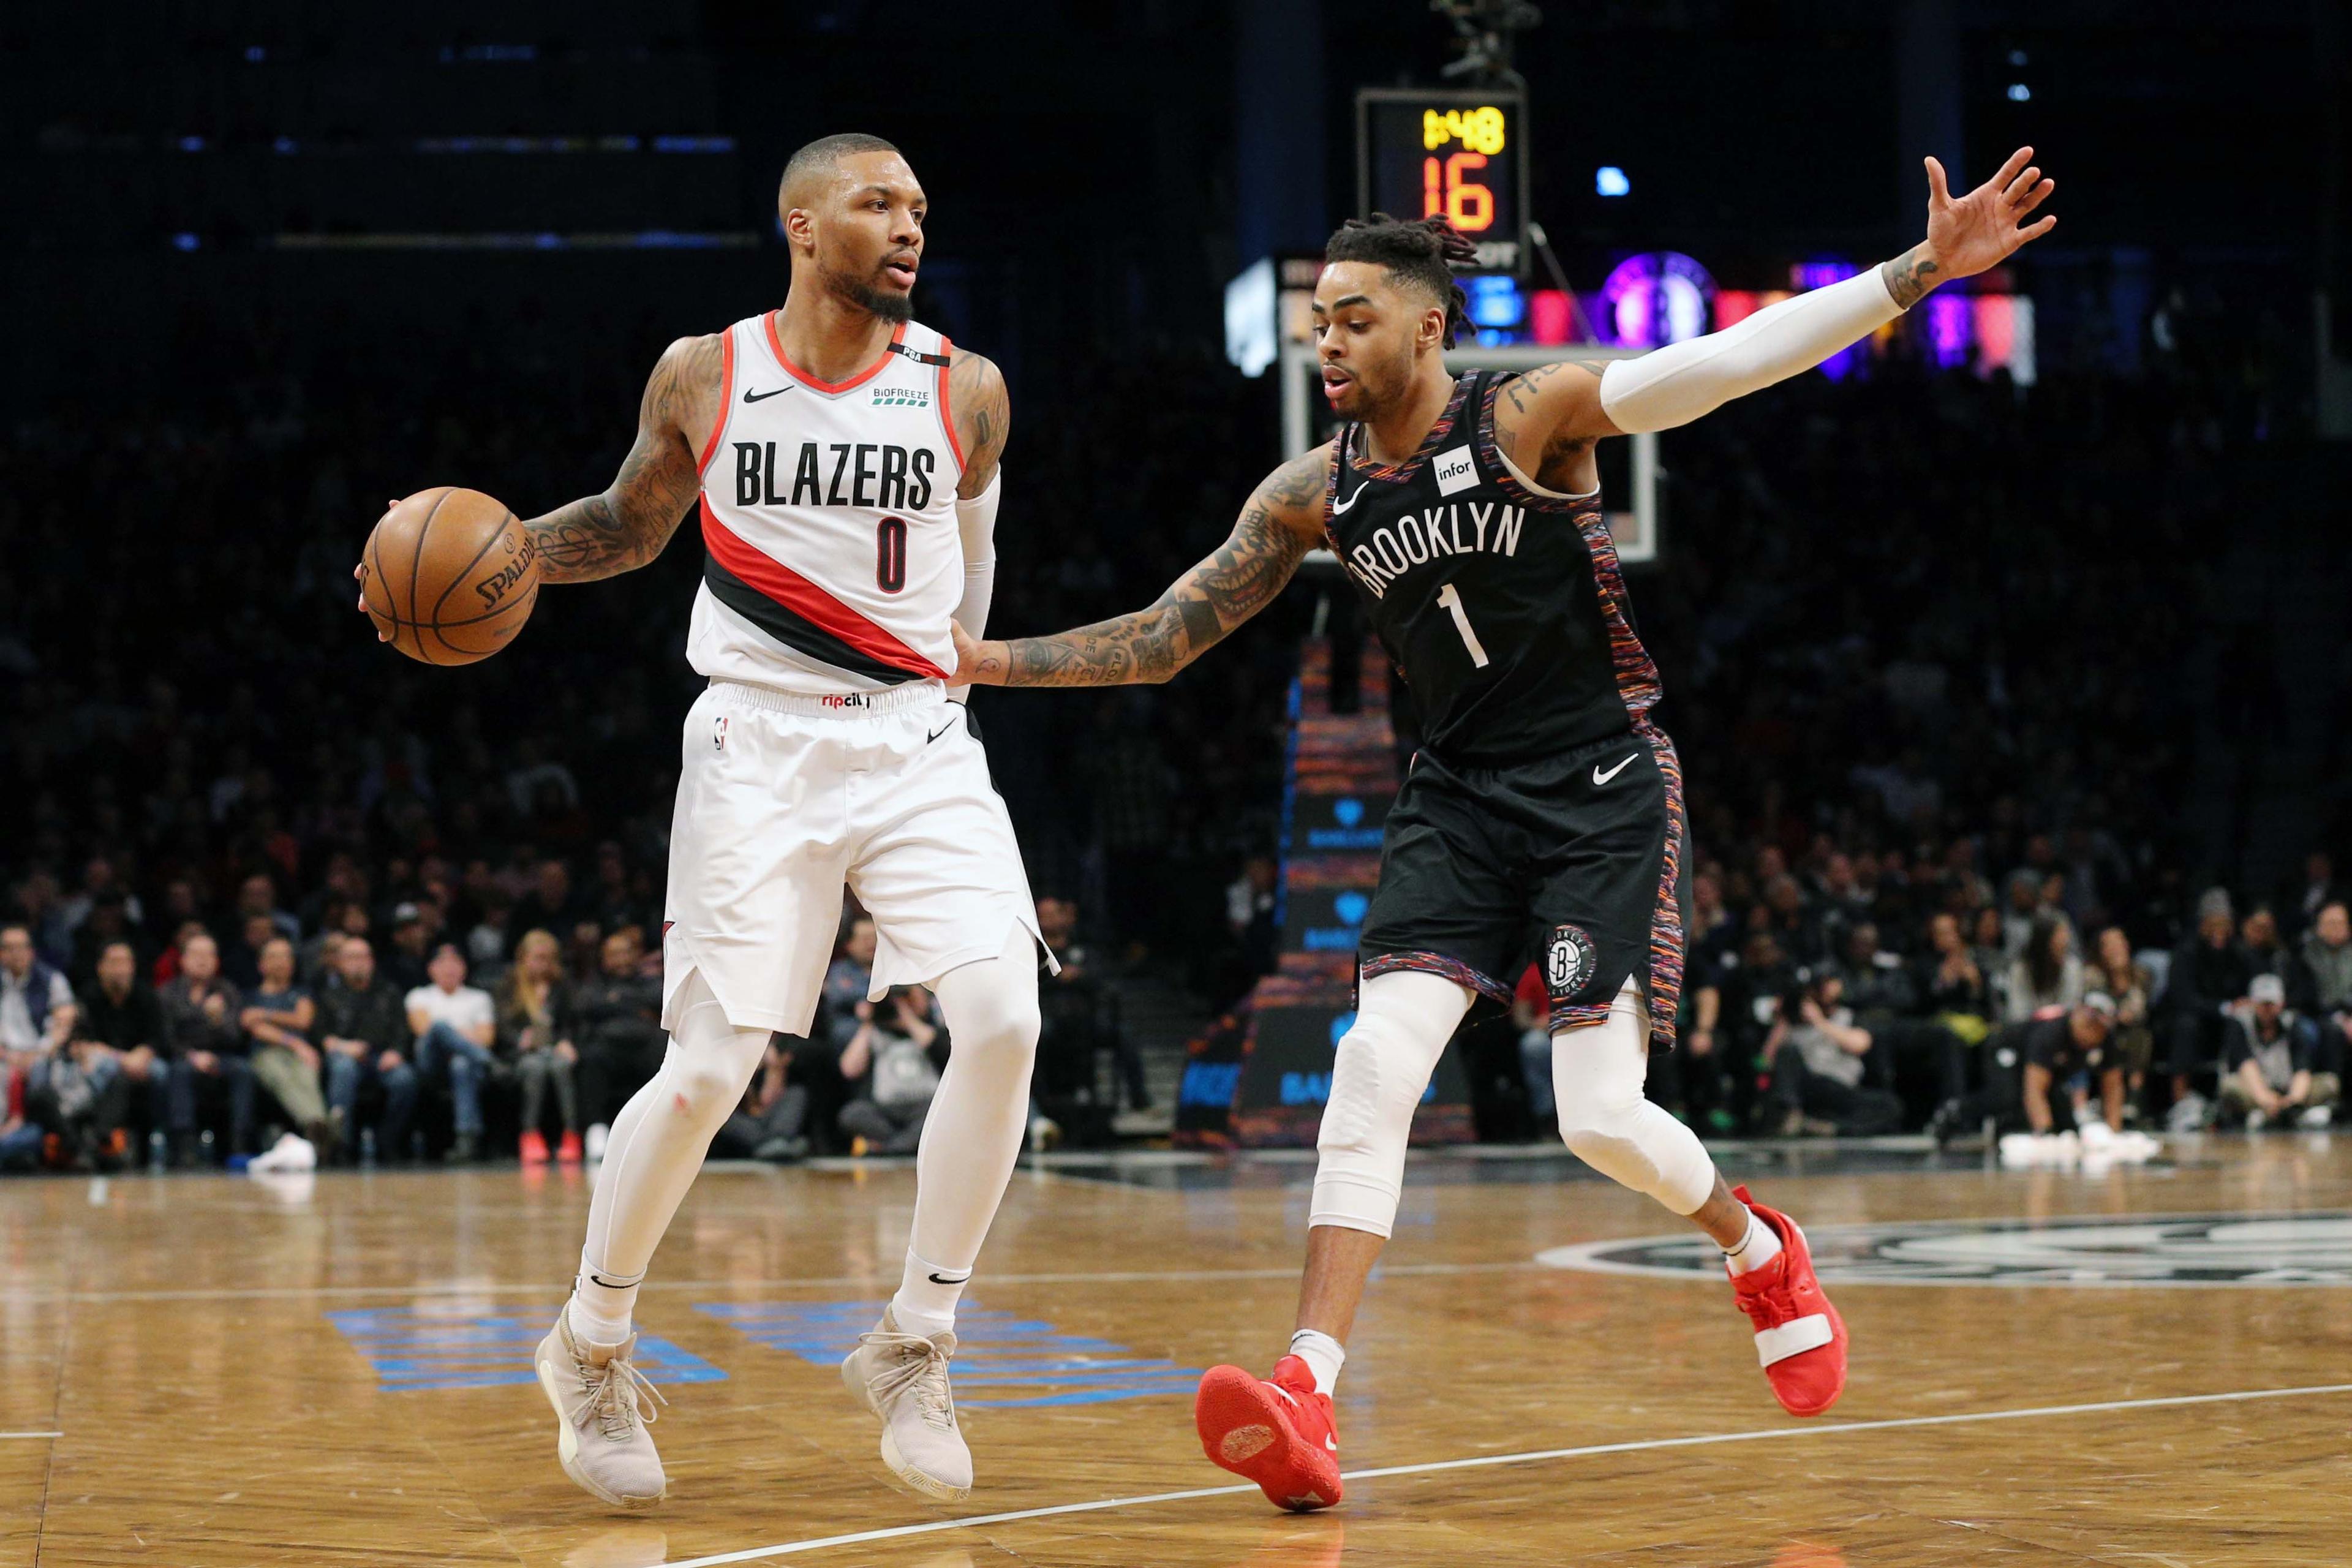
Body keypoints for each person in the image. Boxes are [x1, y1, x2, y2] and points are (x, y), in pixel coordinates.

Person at [952, 147, 2059, 1508]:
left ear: (1428, 323)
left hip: (1599, 787)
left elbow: (1725, 363)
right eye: (1319, 326)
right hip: (1460, 799)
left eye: (1354, 318)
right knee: (1373, 1067)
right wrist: (983, 661)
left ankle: (1753, 1237)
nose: (1331, 344)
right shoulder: (1314, 491)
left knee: (1597, 1117)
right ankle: (1308, 1388)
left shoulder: (1532, 413)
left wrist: (1915, 273)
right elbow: (1167, 635)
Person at [361, 133, 1052, 1507]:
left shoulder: (966, 389)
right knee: (707, 1070)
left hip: (919, 736)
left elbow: (973, 570)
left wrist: (945, 685)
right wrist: (496, 553)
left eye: (920, 204)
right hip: (756, 738)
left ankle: (915, 1340)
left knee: (1010, 1018)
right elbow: (630, 520)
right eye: (878, 203)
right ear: (802, 224)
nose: (910, 225)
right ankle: (591, 1343)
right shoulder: (707, 370)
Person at [315, 937, 418, 1163]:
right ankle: (342, 1144)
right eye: (351, 957)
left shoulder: (390, 992)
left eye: (363, 957)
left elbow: (402, 1031)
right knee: (344, 1069)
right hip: (345, 1057)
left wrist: (397, 1052)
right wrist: (344, 1046)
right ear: (340, 963)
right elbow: (321, 1036)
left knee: (405, 1079)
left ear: (372, 961)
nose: (358, 963)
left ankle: (387, 1141)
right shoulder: (328, 995)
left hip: (382, 1058)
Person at [157, 932, 251, 1161]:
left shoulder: (228, 991)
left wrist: (217, 1020)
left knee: (243, 1071)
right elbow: (164, 1038)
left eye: (208, 955)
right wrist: (191, 1056)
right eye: (196, 954)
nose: (202, 960)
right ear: (183, 960)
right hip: (184, 1057)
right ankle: (185, 1144)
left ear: (217, 961)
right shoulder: (167, 993)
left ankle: (240, 1141)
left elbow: (236, 1039)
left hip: (222, 1056)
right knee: (179, 1072)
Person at [72, 939, 170, 1150]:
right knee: (100, 1070)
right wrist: (124, 1059)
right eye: (114, 962)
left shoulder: (146, 995)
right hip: (107, 1060)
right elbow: (86, 1042)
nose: (120, 969)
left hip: (140, 1060)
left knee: (162, 1072)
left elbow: (156, 1038)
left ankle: (158, 1138)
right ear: (101, 967)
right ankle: (101, 1134)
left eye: (125, 962)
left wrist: (141, 1056)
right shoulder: (88, 995)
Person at [404, 944, 497, 1162]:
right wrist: (462, 1033)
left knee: (461, 1064)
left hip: (466, 1064)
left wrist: (459, 1040)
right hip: (431, 1064)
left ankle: (466, 1140)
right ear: (431, 969)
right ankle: (490, 1063)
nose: (449, 968)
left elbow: (487, 1038)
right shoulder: (419, 996)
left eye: (455, 962)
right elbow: (424, 1029)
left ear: (464, 968)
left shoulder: (479, 998)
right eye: (442, 963)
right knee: (439, 1028)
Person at [499, 929, 583, 1165]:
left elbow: (571, 1022)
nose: (543, 965)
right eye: (538, 958)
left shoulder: (561, 986)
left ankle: (572, 1134)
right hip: (522, 1054)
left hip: (554, 1049)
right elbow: (502, 1026)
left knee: (561, 1067)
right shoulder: (509, 986)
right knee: (535, 1068)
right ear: (524, 958)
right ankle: (530, 1134)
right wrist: (519, 1039)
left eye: (548, 959)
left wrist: (566, 1041)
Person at [241, 935, 330, 1155]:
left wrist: (265, 1014)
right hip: (266, 1054)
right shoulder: (250, 996)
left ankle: (316, 1129)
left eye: (286, 956)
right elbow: (253, 1027)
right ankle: (319, 1125)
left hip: (302, 1054)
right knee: (281, 1076)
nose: (282, 961)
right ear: (262, 964)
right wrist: (294, 1042)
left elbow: (303, 1020)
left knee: (307, 1075)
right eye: (275, 956)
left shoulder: (301, 993)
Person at [837, 985, 948, 1155]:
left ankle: (890, 1148)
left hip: (926, 1108)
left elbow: (941, 1049)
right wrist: (869, 1022)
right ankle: (905, 1145)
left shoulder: (932, 1027)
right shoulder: (873, 1031)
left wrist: (908, 1019)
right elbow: (849, 1069)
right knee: (852, 1114)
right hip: (885, 1111)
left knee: (941, 1119)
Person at [2220, 973, 2337, 1129]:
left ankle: (2290, 1114)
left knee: (2330, 1083)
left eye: (2271, 1004)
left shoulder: (2293, 1023)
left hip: (2288, 1089)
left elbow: (2302, 1068)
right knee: (2230, 1086)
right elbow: (2247, 1065)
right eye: (2263, 1004)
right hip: (2256, 1090)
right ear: (2253, 1003)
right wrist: (2266, 1099)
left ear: (2281, 1003)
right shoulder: (2240, 1024)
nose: (2267, 1009)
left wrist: (2293, 1101)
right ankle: (2266, 1113)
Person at [2018, 993, 2127, 1134]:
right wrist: (2045, 1132)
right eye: (2088, 1024)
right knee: (2010, 1103)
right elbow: (2034, 1089)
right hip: (2015, 1057)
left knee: (2068, 1124)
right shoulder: (2052, 1033)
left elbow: (2114, 1087)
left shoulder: (2107, 1039)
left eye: (2098, 1027)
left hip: (2057, 1074)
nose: (2091, 1032)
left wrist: (2114, 1132)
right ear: (2076, 1013)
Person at [2003, 913, 2083, 1022]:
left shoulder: (2072, 967)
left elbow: (2070, 1007)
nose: (2066, 938)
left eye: (2066, 932)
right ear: (2045, 937)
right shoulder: (2021, 969)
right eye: (2060, 933)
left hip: (2061, 1028)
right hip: (2028, 1029)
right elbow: (2017, 1013)